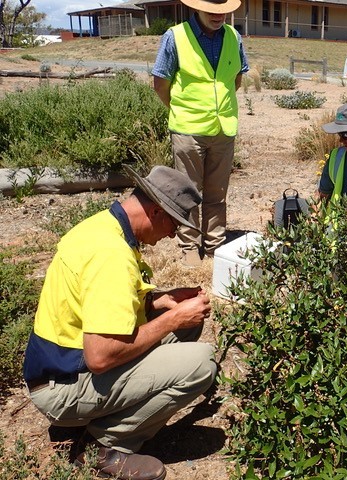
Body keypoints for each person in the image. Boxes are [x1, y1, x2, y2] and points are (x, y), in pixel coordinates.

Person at [22, 165, 217, 480]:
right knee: (202, 363)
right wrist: (171, 319)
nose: (173, 234)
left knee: (186, 323)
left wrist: (160, 301)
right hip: (63, 387)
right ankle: (105, 444)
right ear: (155, 211)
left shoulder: (103, 226)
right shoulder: (111, 255)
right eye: (174, 224)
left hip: (60, 371)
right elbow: (100, 357)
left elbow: (100, 304)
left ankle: (97, 417)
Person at [152, 0, 249, 267]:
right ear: (196, 7)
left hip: (223, 129)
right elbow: (160, 83)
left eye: (223, 10)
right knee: (187, 192)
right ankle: (190, 247)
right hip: (188, 130)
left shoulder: (234, 37)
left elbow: (236, 79)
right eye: (212, 10)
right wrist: (181, 109)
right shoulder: (175, 37)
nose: (219, 15)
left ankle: (215, 243)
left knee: (217, 193)